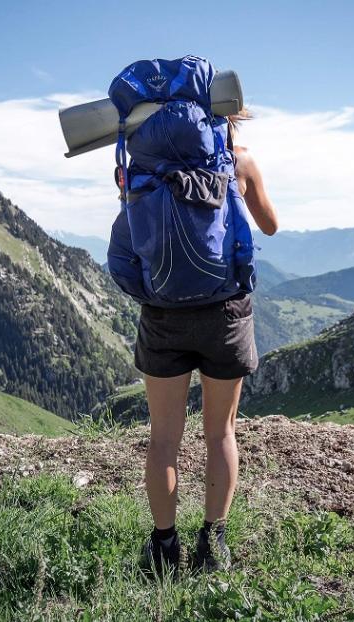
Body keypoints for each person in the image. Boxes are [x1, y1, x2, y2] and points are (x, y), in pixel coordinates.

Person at [134, 108, 279, 576]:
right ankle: (213, 543)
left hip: (163, 310)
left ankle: (162, 548)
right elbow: (271, 225)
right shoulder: (241, 160)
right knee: (219, 433)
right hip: (225, 310)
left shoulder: (144, 162)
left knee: (163, 439)